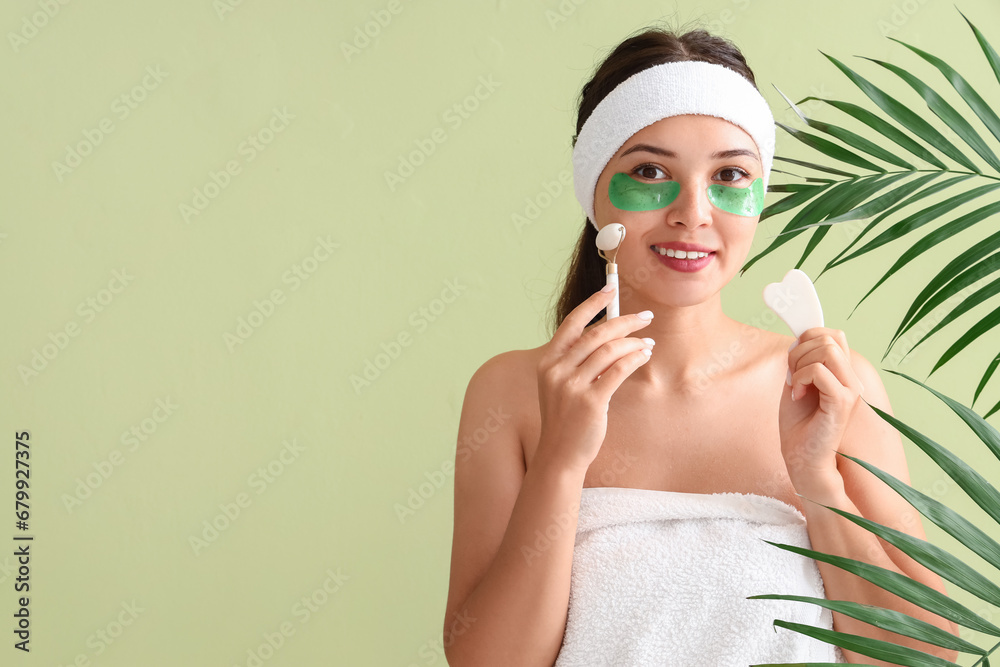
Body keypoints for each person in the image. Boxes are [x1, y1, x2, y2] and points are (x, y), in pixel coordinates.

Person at [442, 25, 958, 667]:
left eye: (730, 174)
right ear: (593, 191)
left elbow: (926, 654)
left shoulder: (827, 385)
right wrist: (559, 464)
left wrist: (819, 483)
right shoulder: (515, 392)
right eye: (650, 171)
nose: (694, 211)